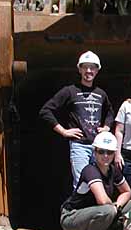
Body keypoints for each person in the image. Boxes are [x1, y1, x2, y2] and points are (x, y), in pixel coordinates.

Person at [39, 50, 114, 189]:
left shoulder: (101, 94)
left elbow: (110, 112)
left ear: (97, 70)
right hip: (79, 146)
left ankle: (98, 211)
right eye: (85, 67)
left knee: (100, 184)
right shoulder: (70, 91)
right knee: (82, 184)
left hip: (98, 148)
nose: (89, 71)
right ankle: (79, 211)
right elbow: (46, 111)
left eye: (92, 67)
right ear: (79, 69)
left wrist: (106, 128)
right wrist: (63, 131)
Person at [60, 132, 131, 230]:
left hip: (95, 213)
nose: (105, 156)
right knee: (108, 210)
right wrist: (114, 209)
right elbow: (102, 200)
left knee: (130, 205)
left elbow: (127, 192)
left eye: (110, 152)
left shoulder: (113, 171)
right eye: (101, 152)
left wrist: (118, 205)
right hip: (71, 217)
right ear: (95, 152)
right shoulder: (90, 170)